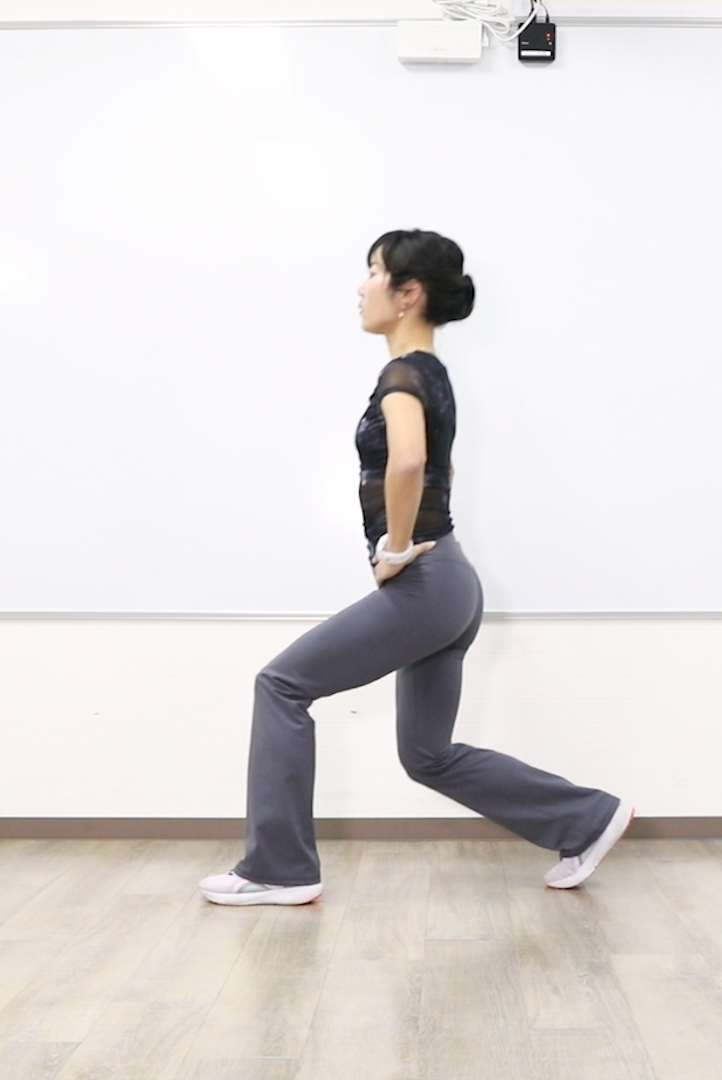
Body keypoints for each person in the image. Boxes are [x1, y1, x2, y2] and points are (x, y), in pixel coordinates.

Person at [198, 229, 633, 906]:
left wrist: (395, 549)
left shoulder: (402, 375)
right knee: (427, 755)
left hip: (428, 585)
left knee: (280, 685)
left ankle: (279, 868)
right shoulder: (433, 376)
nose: (361, 286)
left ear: (409, 294)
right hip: (452, 584)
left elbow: (408, 462)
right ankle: (585, 818)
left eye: (374, 272)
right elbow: (439, 469)